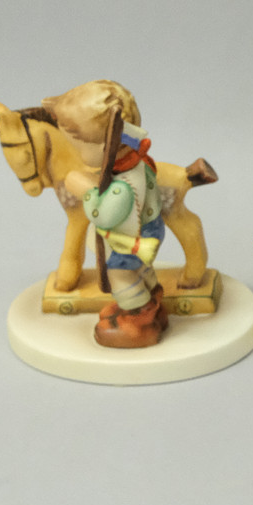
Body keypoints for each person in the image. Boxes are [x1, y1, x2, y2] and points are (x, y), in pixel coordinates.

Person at [46, 80, 167, 348]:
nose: (75, 153)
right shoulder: (137, 163)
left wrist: (86, 190)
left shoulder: (123, 187)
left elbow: (105, 216)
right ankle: (151, 300)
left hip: (130, 239)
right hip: (147, 230)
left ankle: (137, 315)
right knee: (141, 270)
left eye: (78, 147)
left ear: (106, 145)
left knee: (121, 276)